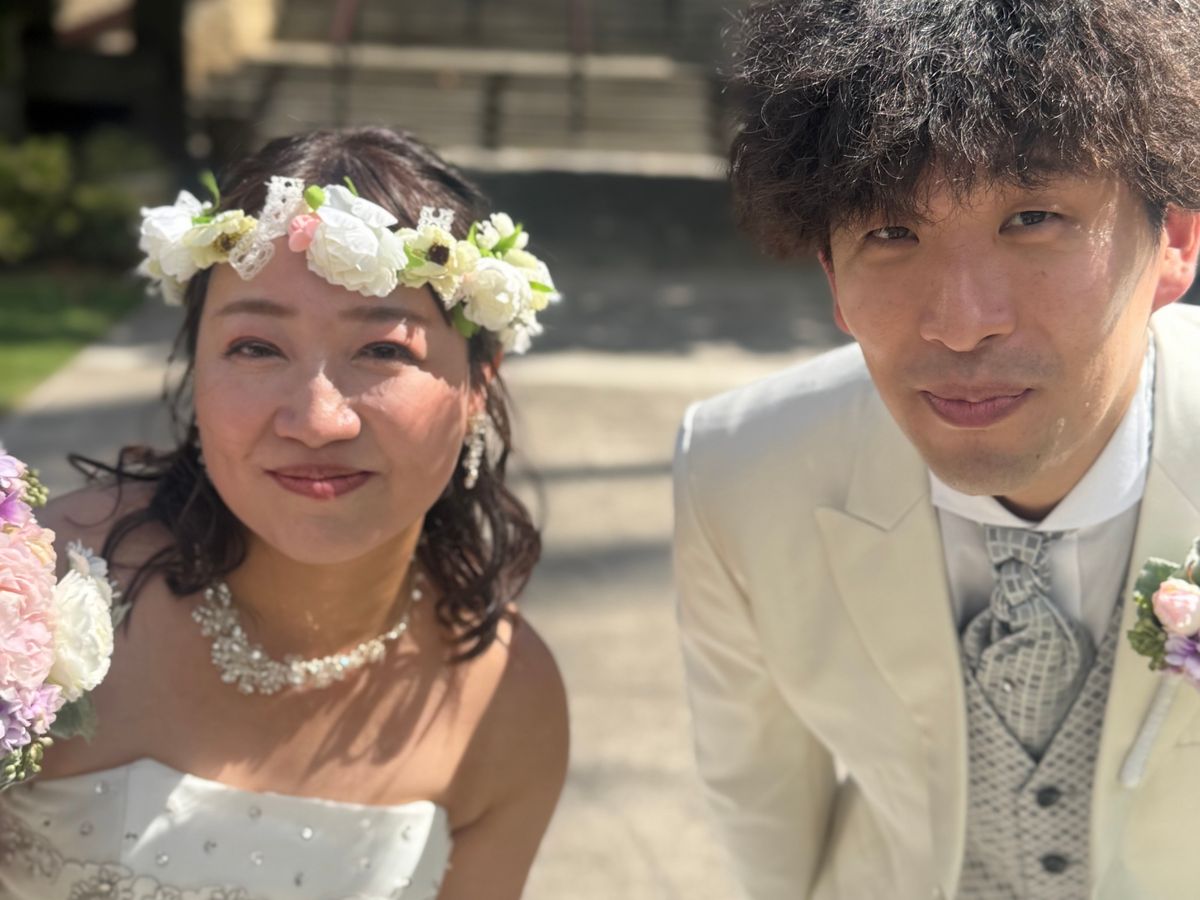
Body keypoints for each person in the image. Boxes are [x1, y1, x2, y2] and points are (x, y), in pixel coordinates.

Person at [673, 1, 1200, 898]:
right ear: (832, 277)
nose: (961, 325)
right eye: (891, 233)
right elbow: (759, 796)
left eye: (1033, 218)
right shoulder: (741, 469)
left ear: (1175, 242)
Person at [0, 127, 568, 899]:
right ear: (197, 368)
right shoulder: (29, 602)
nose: (317, 420)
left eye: (384, 350)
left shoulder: (509, 698)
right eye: (257, 348)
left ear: (477, 384)